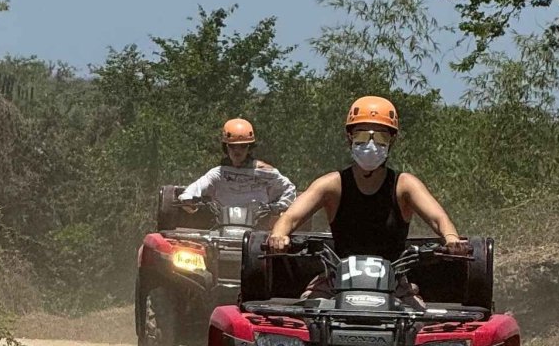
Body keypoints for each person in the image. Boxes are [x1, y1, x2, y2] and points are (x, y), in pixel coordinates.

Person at [266, 96, 468, 301]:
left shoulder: (404, 185)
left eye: (380, 137)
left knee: (416, 317)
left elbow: (438, 219)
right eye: (362, 135)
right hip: (335, 280)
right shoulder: (331, 184)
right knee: (309, 309)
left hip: (395, 284)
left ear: (392, 140)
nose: (371, 144)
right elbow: (290, 217)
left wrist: (451, 238)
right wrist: (279, 235)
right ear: (349, 137)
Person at [177, 118, 297, 228]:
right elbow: (194, 188)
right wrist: (187, 199)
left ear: (249, 148)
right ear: (226, 147)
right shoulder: (218, 173)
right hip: (220, 228)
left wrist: (278, 207)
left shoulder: (265, 173)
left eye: (243, 146)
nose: (237, 150)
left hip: (258, 230)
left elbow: (289, 190)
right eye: (232, 146)